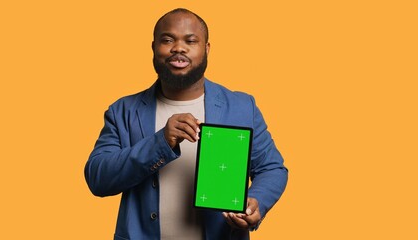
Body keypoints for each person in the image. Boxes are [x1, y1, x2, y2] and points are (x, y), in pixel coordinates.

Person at [85, 8, 288, 240]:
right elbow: (98, 178)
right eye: (168, 40)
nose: (178, 48)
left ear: (207, 49)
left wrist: (255, 203)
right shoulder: (123, 110)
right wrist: (160, 143)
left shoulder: (242, 106)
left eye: (190, 41)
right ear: (153, 47)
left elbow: (272, 169)